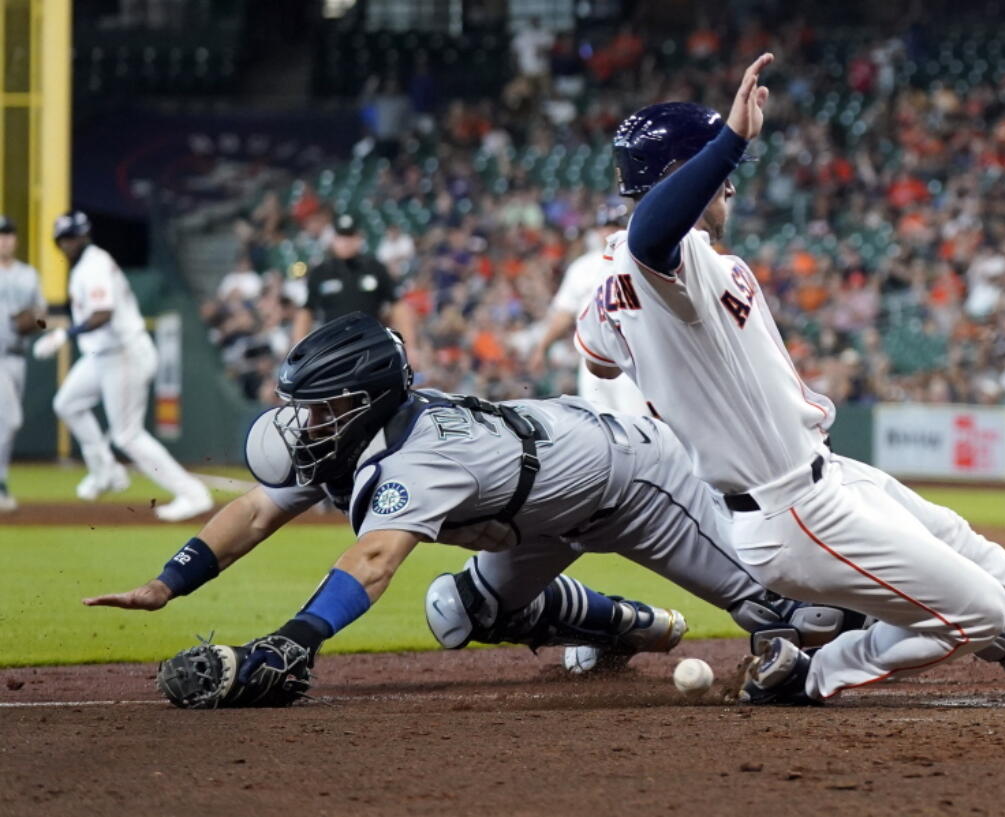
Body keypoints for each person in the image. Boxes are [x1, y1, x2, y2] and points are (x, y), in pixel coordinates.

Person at [574, 54, 1005, 705]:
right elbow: (650, 235)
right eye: (716, 168)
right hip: (788, 508)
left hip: (819, 473)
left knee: (954, 536)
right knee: (982, 612)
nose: (731, 184)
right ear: (680, 179)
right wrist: (732, 140)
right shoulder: (661, 258)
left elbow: (598, 354)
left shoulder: (610, 284)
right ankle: (809, 675)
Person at [83, 313, 872, 706]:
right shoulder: (342, 440)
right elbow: (254, 512)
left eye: (321, 407)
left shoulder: (418, 452)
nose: (304, 421)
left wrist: (296, 641)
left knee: (791, 616)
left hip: (630, 481)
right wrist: (169, 581)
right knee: (459, 610)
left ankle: (924, 604)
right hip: (542, 512)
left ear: (365, 403)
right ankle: (627, 625)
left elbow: (371, 559)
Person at [31, 211, 214, 522]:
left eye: (72, 237)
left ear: (84, 235)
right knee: (67, 403)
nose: (68, 243)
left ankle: (193, 494)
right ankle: (106, 472)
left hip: (123, 353)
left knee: (127, 435)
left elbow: (103, 312)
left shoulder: (95, 264)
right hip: (102, 355)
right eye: (63, 239)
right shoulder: (83, 267)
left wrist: (65, 334)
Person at [529, 203, 648, 414]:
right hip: (591, 359)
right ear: (597, 230)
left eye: (617, 225)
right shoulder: (582, 267)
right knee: (598, 427)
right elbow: (564, 313)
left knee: (637, 424)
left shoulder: (641, 263)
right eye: (607, 226)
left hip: (632, 358)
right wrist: (543, 346)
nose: (611, 231)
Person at [292, 214, 415, 354]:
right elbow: (306, 312)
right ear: (334, 239)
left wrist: (410, 346)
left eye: (350, 236)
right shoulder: (320, 273)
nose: (345, 242)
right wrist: (298, 351)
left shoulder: (375, 268)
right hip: (333, 349)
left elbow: (397, 306)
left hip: (372, 346)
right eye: (341, 237)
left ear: (359, 238)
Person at [0, 216, 46, 512]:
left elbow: (42, 317)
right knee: (11, 419)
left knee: (7, 425)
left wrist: (33, 321)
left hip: (17, 357)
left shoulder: (28, 275)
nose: (4, 239)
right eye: (0, 235)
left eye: (8, 234)